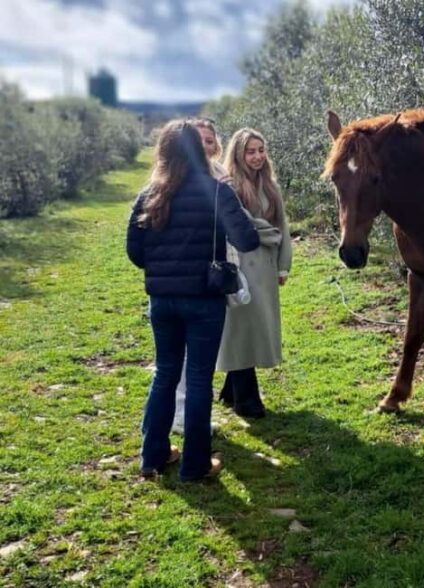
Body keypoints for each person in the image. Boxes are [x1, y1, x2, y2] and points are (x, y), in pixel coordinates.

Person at [126, 120, 259, 481]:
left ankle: (152, 456)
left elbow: (134, 251)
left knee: (164, 373)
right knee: (199, 379)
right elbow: (247, 240)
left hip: (162, 300)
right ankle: (195, 465)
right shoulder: (217, 192)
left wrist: (164, 269)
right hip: (204, 298)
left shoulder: (150, 193)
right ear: (199, 150)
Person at [216, 128, 292, 418]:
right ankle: (246, 399)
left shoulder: (270, 186)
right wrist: (268, 235)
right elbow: (245, 227)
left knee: (254, 328)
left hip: (266, 267)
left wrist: (284, 264)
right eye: (251, 151)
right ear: (238, 154)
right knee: (240, 329)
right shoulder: (230, 186)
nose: (258, 156)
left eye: (261, 150)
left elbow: (281, 227)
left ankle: (231, 390)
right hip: (240, 265)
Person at [170, 117, 229, 436]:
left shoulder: (221, 175)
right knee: (178, 359)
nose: (205, 145)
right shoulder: (174, 178)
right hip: (182, 280)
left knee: (201, 357)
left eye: (209, 140)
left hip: (212, 278)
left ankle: (194, 418)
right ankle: (180, 415)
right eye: (199, 140)